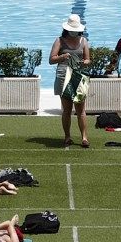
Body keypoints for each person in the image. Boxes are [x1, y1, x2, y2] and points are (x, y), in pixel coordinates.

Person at [49, 14, 90, 148]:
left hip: (78, 76)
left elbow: (88, 59)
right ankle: (67, 136)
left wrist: (85, 62)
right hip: (63, 76)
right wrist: (63, 56)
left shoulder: (83, 41)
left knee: (81, 110)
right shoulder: (59, 41)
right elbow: (51, 60)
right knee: (67, 110)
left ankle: (84, 137)